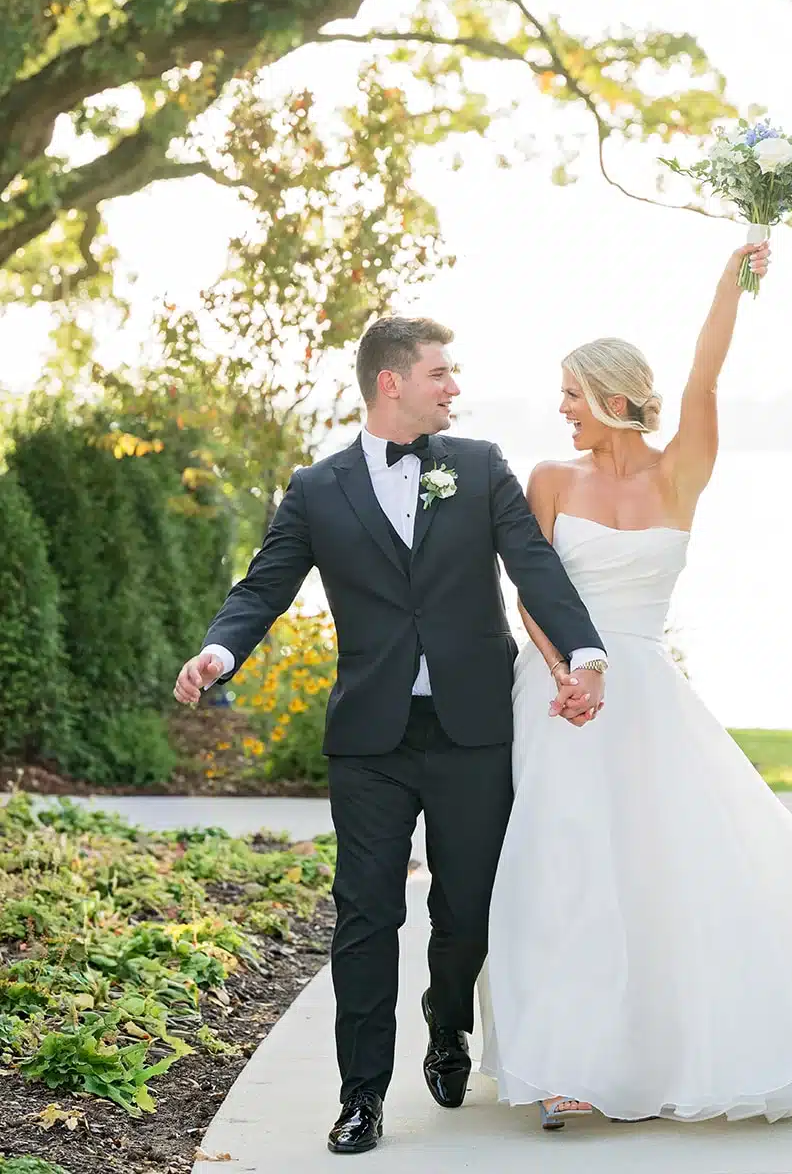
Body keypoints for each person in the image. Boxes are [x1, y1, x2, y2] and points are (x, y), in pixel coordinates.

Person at [479, 241, 792, 1127]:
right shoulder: (548, 477)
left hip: (648, 697)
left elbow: (703, 380)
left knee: (662, 873)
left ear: (613, 398)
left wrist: (732, 282)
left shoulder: (680, 470)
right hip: (559, 698)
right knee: (559, 868)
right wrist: (562, 672)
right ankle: (562, 1063)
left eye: (573, 394)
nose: (561, 409)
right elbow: (529, 586)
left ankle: (662, 1053)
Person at [173, 317, 608, 1156]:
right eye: (440, 373)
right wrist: (219, 651)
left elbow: (534, 564)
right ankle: (361, 1097)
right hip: (371, 737)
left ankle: (447, 1028)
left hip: (472, 728)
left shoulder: (479, 469)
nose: (453, 387)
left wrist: (583, 653)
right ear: (391, 384)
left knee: (466, 909)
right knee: (365, 916)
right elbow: (264, 585)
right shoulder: (315, 487)